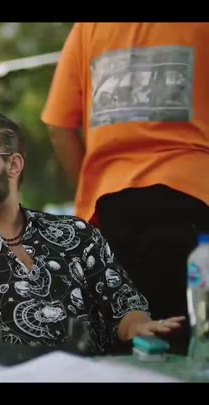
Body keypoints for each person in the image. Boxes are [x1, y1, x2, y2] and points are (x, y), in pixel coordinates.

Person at [0, 112, 184, 365]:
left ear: (13, 165)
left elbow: (124, 306)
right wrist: (7, 357)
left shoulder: (76, 234)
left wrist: (138, 326)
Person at [41, 23, 209, 355]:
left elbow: (59, 127)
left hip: (110, 212)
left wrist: (92, 183)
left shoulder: (88, 29)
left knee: (123, 349)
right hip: (194, 201)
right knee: (195, 346)